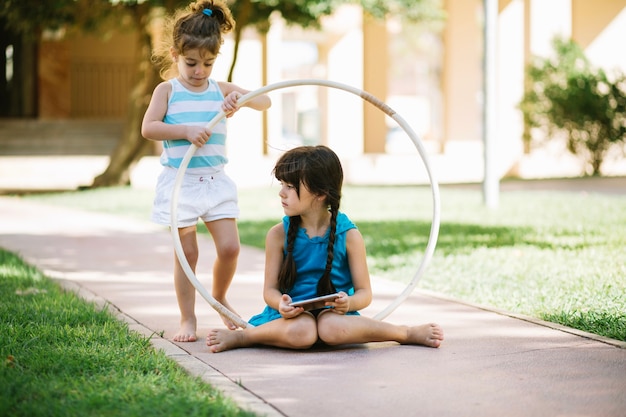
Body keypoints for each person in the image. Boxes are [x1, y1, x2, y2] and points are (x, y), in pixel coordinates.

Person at [207, 146, 444, 352]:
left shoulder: (349, 235)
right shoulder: (277, 235)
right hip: (288, 319)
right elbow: (269, 290)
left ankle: (403, 333)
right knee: (304, 330)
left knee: (329, 326)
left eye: (290, 186)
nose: (281, 192)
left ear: (320, 194)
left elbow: (364, 293)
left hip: (336, 318)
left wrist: (348, 304)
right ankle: (244, 336)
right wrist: (280, 303)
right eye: (282, 184)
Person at [141, 0, 271, 342]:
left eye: (208, 63)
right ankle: (187, 319)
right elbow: (149, 128)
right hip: (180, 183)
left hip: (215, 182)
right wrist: (184, 131)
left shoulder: (219, 89)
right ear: (175, 55)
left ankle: (220, 297)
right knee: (188, 254)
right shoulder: (167, 90)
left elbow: (265, 101)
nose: (199, 71)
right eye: (191, 63)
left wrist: (237, 101)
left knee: (230, 248)